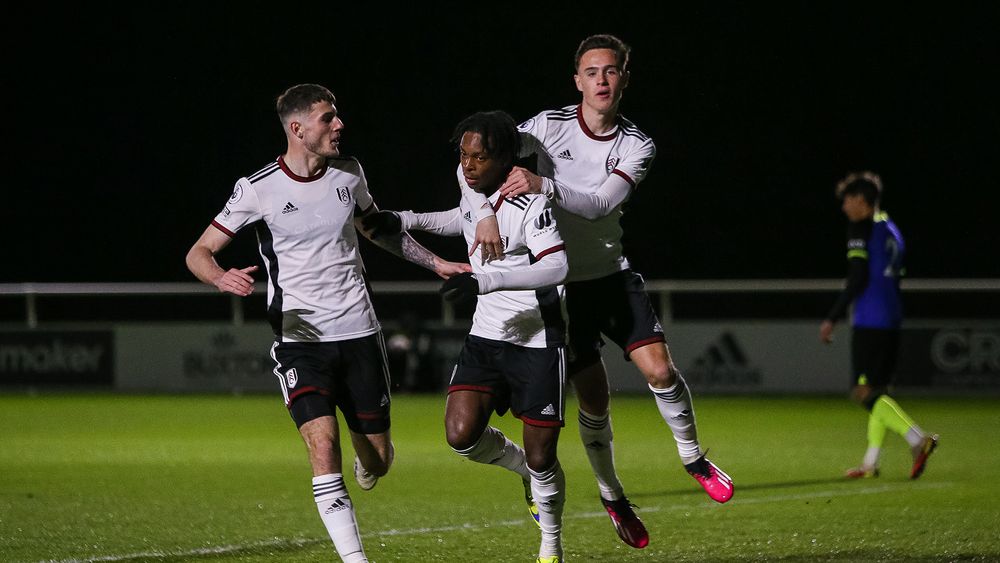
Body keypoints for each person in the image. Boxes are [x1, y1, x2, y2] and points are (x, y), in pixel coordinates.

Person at [458, 34, 734, 549]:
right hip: (561, 290)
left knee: (660, 370)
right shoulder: (542, 128)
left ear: (625, 78)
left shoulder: (637, 143)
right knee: (595, 403)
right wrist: (486, 213)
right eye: (592, 72)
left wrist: (545, 187)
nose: (601, 81)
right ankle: (612, 495)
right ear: (577, 80)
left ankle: (693, 456)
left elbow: (601, 205)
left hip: (610, 276)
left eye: (611, 71)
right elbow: (475, 153)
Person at [185, 83, 470, 563]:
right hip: (301, 341)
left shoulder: (349, 173)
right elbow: (199, 251)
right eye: (327, 118)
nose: (339, 125)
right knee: (323, 444)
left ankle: (371, 460)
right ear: (298, 129)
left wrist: (436, 263)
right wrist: (219, 277)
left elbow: (377, 228)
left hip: (360, 334)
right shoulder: (256, 189)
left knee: (378, 460)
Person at [362, 111, 569, 563]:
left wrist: (485, 281)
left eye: (480, 157)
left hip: (538, 338)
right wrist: (405, 219)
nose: (468, 164)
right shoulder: (471, 187)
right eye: (464, 154)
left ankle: (551, 545)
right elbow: (460, 220)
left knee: (543, 457)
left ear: (506, 160)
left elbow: (557, 267)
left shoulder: (531, 200)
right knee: (460, 435)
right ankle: (521, 472)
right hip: (486, 336)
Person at [820, 171, 938, 479]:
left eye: (847, 201)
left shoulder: (860, 228)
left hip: (870, 319)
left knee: (863, 393)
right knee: (879, 391)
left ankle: (917, 439)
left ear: (860, 200)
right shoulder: (892, 229)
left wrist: (832, 317)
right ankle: (870, 464)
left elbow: (857, 277)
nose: (844, 207)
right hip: (892, 317)